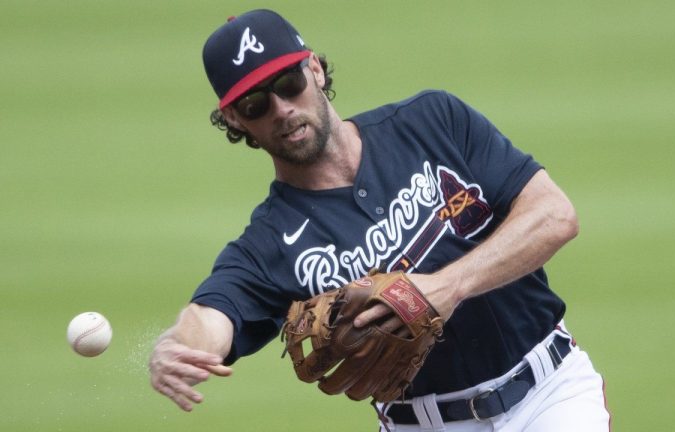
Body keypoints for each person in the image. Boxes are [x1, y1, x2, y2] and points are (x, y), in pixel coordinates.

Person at [149, 9, 611, 432]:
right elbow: (210, 316)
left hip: (549, 396)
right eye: (255, 104)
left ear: (315, 69)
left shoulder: (432, 121)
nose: (282, 109)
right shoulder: (269, 243)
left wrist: (446, 288)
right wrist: (178, 346)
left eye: (288, 83)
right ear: (234, 118)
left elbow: (554, 216)